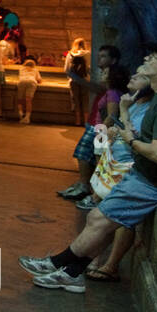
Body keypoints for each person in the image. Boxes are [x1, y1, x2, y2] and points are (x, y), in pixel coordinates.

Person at [21, 41, 157, 292]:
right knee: (99, 220)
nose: (146, 58)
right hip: (149, 176)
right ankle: (71, 272)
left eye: (154, 57)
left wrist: (131, 141)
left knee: (97, 219)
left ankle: (57, 263)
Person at [78, 71, 156, 280]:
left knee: (120, 220)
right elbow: (119, 127)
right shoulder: (134, 103)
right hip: (115, 162)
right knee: (104, 215)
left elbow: (131, 134)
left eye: (140, 75)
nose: (134, 75)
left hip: (127, 166)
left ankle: (109, 264)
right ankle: (93, 259)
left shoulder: (146, 107)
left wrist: (116, 129)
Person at [57, 45, 122, 199]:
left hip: (99, 126)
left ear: (114, 60)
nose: (100, 60)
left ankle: (89, 189)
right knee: (92, 156)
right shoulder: (109, 82)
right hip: (97, 123)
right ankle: (90, 188)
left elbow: (110, 109)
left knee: (85, 154)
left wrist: (76, 77)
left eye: (104, 56)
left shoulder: (112, 86)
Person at [64, 38, 90, 125]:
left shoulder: (70, 54)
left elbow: (66, 69)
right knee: (85, 100)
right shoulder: (89, 54)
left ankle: (78, 121)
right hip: (85, 81)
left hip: (74, 80)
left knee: (76, 100)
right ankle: (86, 121)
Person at [16, 58, 41, 123]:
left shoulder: (21, 69)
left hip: (22, 82)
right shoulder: (35, 70)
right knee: (28, 100)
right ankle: (27, 117)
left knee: (20, 99)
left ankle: (21, 114)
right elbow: (39, 80)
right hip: (31, 82)